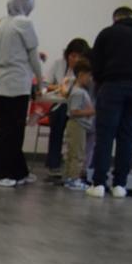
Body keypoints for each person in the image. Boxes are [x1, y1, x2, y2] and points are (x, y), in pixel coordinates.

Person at [87, 5, 132, 197]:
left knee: (105, 135)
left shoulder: (108, 34)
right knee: (127, 137)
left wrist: (102, 81)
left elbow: (96, 63)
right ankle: (120, 185)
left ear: (116, 19)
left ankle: (99, 184)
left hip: (112, 86)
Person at [0, 0, 42, 186]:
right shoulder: (24, 23)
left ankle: (18, 171)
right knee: (14, 131)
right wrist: (40, 83)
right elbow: (34, 56)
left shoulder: (2, 24)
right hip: (18, 83)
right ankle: (1, 174)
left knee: (6, 128)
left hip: (2, 82)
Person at [42, 37, 90, 180]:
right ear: (67, 55)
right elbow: (46, 84)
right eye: (72, 55)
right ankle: (54, 164)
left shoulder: (86, 69)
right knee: (58, 120)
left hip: (77, 109)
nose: (75, 59)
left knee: (78, 127)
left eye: (79, 56)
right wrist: (59, 87)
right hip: (59, 106)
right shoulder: (58, 65)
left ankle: (76, 168)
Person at [62, 63, 97, 189]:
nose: (90, 79)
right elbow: (74, 111)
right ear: (81, 75)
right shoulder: (78, 93)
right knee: (77, 153)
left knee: (74, 152)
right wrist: (92, 112)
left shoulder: (80, 91)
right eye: (89, 76)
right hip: (77, 125)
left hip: (80, 126)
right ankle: (74, 179)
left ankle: (69, 177)